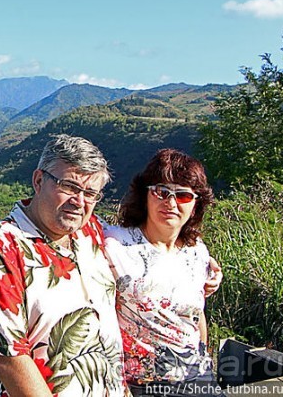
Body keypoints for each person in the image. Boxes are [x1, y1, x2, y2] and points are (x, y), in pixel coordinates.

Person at [0, 134, 126, 397]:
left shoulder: (92, 232)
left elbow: (147, 244)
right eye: (69, 187)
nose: (79, 201)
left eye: (90, 193)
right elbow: (8, 356)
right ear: (39, 181)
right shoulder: (3, 245)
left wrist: (199, 261)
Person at [103, 149, 225, 397]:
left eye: (182, 196)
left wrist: (203, 354)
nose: (170, 203)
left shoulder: (197, 251)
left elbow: (195, 314)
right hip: (141, 384)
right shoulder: (113, 243)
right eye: (161, 192)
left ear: (195, 204)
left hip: (197, 376)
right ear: (145, 195)